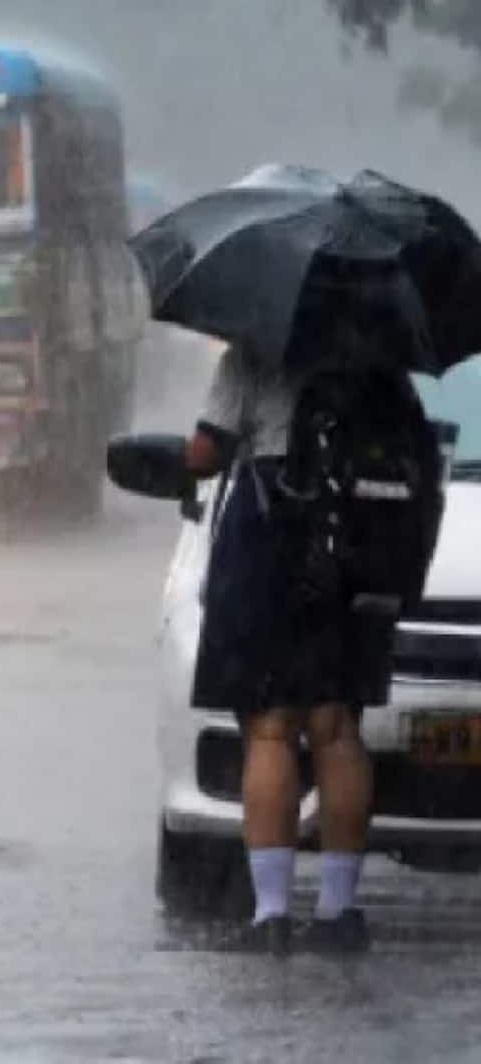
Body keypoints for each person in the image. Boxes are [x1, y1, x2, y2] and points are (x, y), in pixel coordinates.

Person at [186, 344, 376, 957]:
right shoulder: (371, 354)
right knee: (336, 726)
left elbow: (206, 455)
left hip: (267, 536)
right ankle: (338, 912)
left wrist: (189, 455)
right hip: (348, 540)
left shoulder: (251, 352)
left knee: (270, 729)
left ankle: (271, 917)